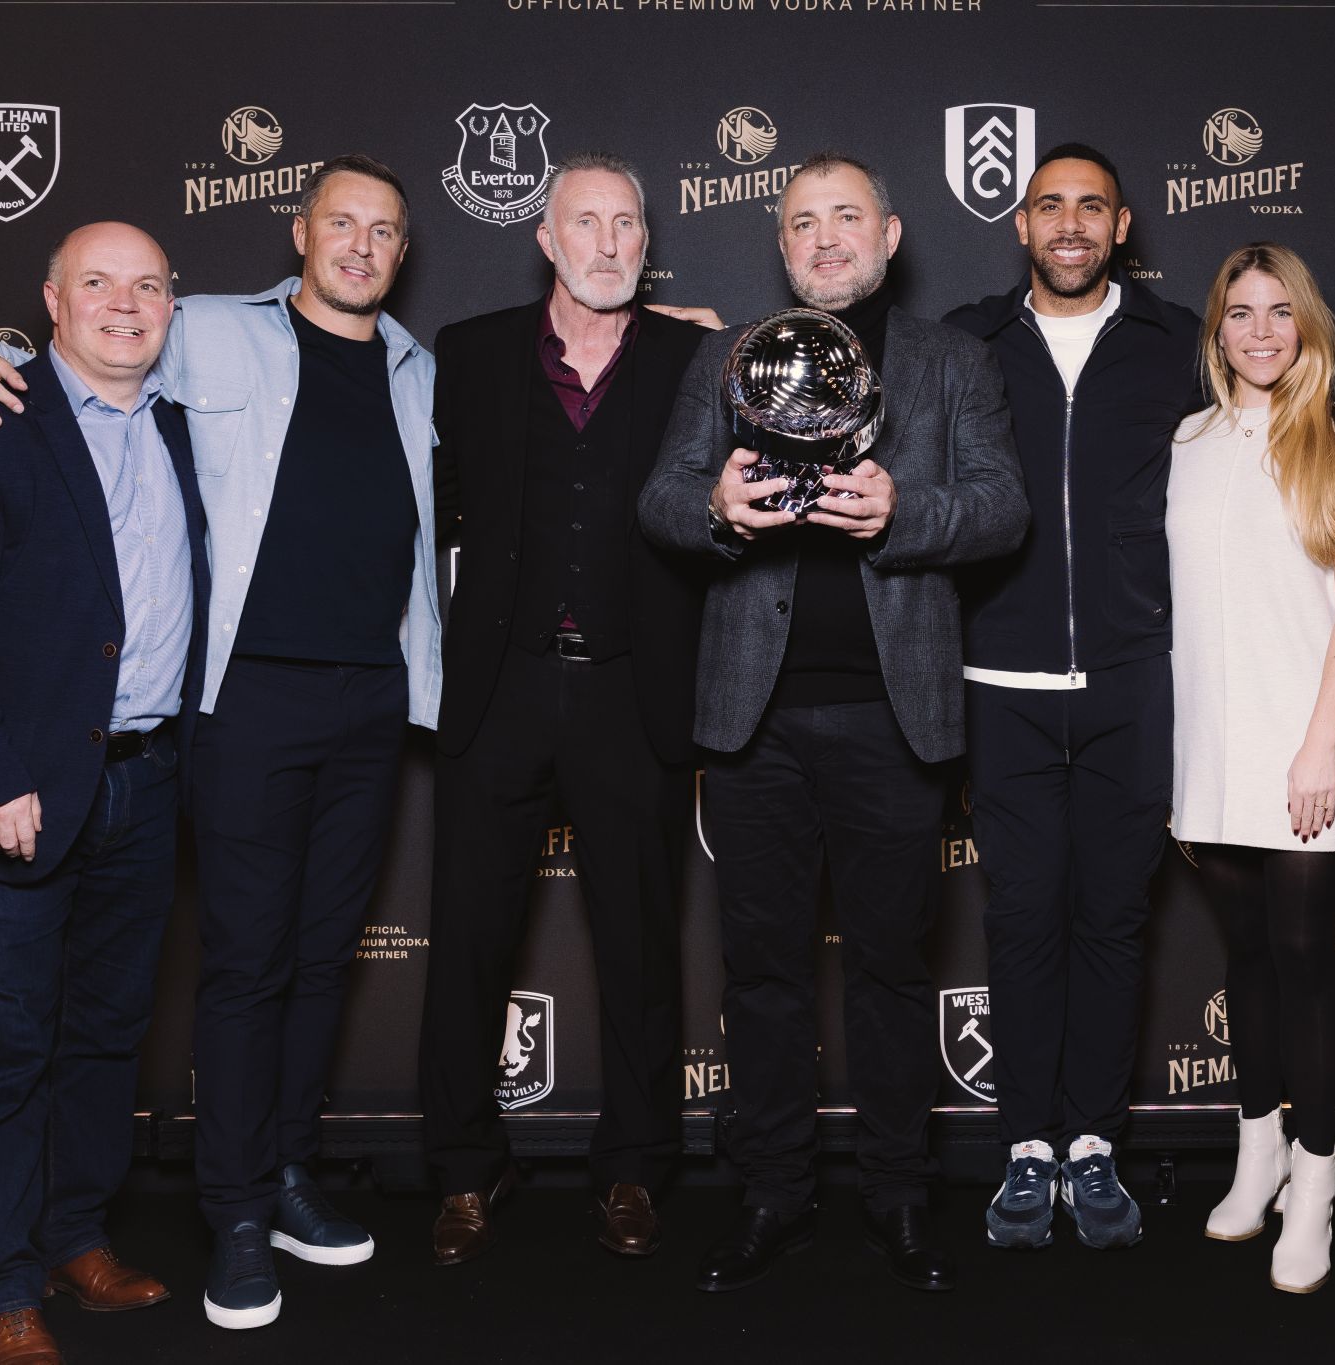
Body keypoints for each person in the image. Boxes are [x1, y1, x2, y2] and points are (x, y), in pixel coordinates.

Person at [0, 154, 442, 1331]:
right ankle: (236, 1212)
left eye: (382, 231)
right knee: (246, 963)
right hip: (244, 699)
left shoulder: (420, 370)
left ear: (402, 252)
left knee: (320, 958)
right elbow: (78, 360)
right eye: (341, 223)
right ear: (300, 231)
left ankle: (286, 1171)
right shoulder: (203, 328)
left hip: (370, 698)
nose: (360, 246)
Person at [639, 151, 1028, 1294]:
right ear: (781, 243)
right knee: (760, 972)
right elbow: (659, 499)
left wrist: (903, 509)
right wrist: (715, 507)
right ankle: (771, 1192)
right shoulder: (726, 358)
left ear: (888, 235)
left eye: (845, 217)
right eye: (802, 221)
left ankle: (898, 1196)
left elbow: (1001, 507)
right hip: (752, 719)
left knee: (891, 971)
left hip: (889, 717)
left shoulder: (951, 362)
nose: (824, 238)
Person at [0, 222, 209, 1365]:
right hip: (16, 794)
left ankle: (75, 1236)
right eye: (98, 284)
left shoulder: (184, 423)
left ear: (171, 306)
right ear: (52, 302)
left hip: (146, 781)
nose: (125, 304)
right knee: (7, 1050)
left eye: (147, 286)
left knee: (105, 1036)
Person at [418, 152, 713, 1265]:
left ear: (647, 242)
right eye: (584, 223)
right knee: (468, 938)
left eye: (625, 224)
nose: (607, 243)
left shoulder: (694, 357)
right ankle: (463, 1165)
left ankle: (635, 1163)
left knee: (638, 943)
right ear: (545, 239)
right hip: (499, 686)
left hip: (633, 689)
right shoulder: (469, 352)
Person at [943, 143, 1202, 1253]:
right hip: (999, 682)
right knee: (1020, 917)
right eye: (1049, 205)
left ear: (1121, 225)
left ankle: (1092, 1142)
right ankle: (1024, 1149)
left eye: (1090, 206)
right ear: (1021, 225)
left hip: (1132, 677)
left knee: (1111, 916)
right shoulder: (964, 340)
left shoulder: (1178, 342)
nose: (1069, 224)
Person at [1169, 242, 1335, 1292]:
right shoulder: (1190, 439)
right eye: (1239, 313)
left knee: (1303, 958)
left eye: (1278, 311)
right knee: (1248, 956)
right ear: (1217, 330)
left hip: (1308, 739)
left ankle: (1315, 1183)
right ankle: (1255, 1156)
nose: (1260, 332)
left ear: (1306, 324)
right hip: (1211, 747)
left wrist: (1318, 746)